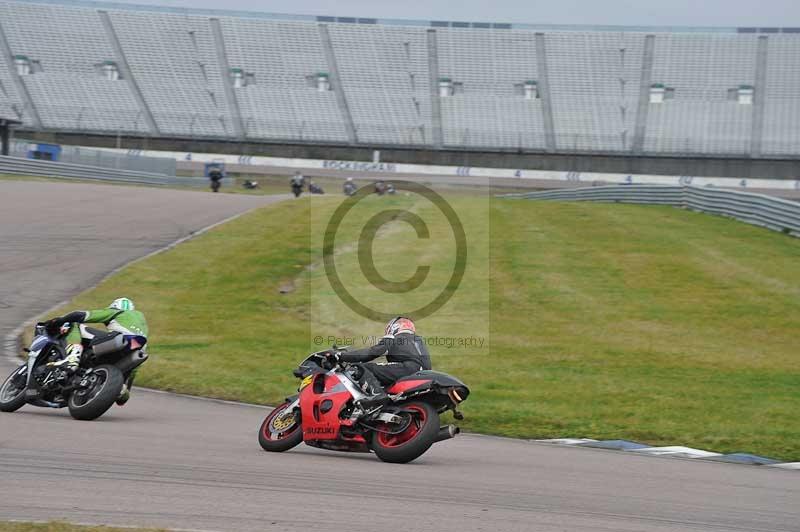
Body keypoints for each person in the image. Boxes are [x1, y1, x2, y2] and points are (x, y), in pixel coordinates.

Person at [43, 297, 148, 406]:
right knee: (123, 386)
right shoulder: (142, 327)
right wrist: (123, 390)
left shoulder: (117, 311)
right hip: (135, 352)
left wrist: (59, 321)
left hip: (120, 340)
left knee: (74, 324)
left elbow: (80, 315)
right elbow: (131, 376)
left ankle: (72, 358)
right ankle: (120, 388)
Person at [331, 317, 430, 408]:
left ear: (395, 327)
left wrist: (341, 356)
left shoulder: (394, 338)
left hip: (407, 369)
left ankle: (376, 395)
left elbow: (371, 353)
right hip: (424, 374)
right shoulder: (419, 340)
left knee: (362, 368)